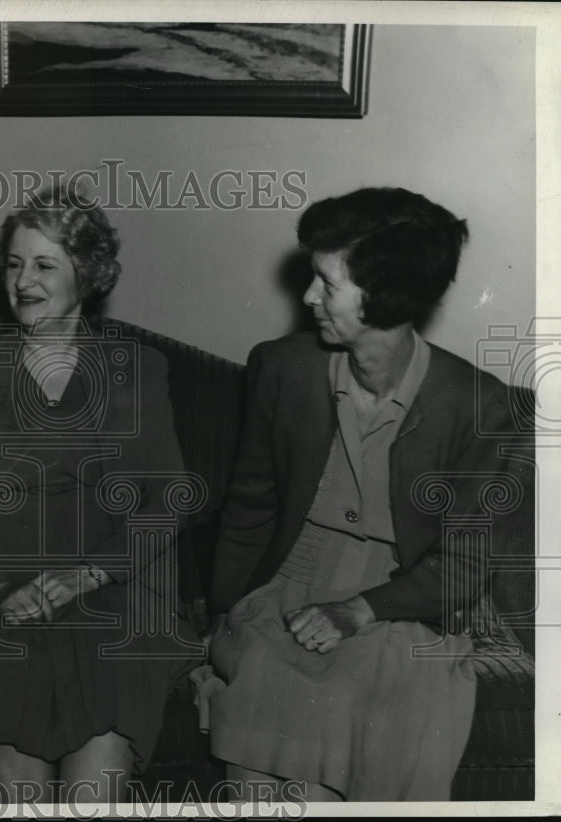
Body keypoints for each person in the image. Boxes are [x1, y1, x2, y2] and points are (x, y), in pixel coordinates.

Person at [199, 187, 517, 801]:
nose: (307, 296)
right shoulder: (283, 368)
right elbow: (250, 506)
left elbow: (465, 564)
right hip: (292, 572)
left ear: (385, 296)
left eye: (326, 282)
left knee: (371, 693)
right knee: (267, 676)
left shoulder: (479, 406)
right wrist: (221, 616)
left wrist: (358, 611)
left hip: (403, 593)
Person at [0, 188, 200, 803]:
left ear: (90, 274)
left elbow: (172, 495)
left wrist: (87, 574)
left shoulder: (139, 368)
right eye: (14, 263)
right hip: (0, 595)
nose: (23, 281)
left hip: (115, 592)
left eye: (45, 265)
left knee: (90, 803)